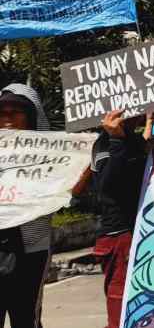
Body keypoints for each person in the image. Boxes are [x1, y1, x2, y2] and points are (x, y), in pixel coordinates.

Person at [91, 109, 149, 328]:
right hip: (120, 235)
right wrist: (116, 140)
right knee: (121, 302)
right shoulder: (104, 143)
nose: (137, 116)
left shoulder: (136, 141)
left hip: (140, 231)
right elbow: (108, 187)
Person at [0, 83, 51, 328]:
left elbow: (69, 193)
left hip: (31, 250)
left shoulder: (54, 156)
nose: (8, 118)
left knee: (25, 318)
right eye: (2, 112)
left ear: (32, 115)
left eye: (16, 111)